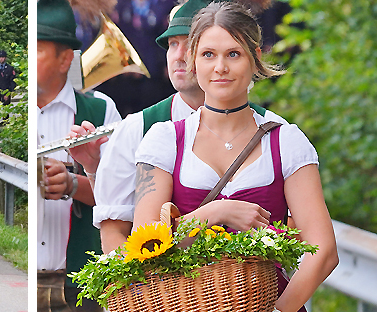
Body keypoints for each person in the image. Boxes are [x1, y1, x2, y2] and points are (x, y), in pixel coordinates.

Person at [132, 3, 337, 311]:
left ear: (255, 58)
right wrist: (215, 213)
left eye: (233, 54)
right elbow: (146, 248)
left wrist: (280, 309)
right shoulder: (164, 141)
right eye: (208, 54)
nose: (220, 67)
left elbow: (324, 250)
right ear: (192, 61)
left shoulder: (286, 141)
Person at [85, 0, 285, 253]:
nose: (179, 56)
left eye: (190, 45)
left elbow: (297, 233)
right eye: (172, 45)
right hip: (164, 290)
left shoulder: (276, 131)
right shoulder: (137, 128)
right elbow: (114, 238)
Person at [36, 0, 121, 311]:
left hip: (80, 287)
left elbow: (127, 201)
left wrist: (73, 184)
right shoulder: (14, 115)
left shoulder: (101, 111)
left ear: (64, 60)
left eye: (38, 50)